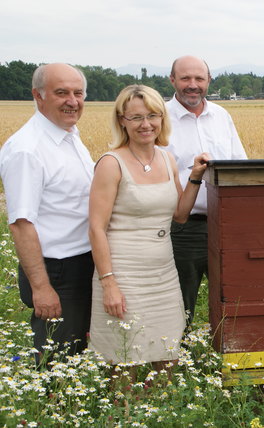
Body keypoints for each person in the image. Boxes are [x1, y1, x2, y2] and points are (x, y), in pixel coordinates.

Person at [88, 85, 209, 368]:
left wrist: (195, 176)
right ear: (122, 120)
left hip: (163, 275)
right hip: (124, 275)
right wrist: (109, 284)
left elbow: (179, 215)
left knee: (167, 357)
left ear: (162, 119)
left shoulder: (166, 159)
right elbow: (96, 228)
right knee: (124, 360)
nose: (146, 124)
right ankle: (124, 412)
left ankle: (163, 412)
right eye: (136, 117)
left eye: (153, 116)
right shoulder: (110, 163)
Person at [0, 63, 94, 364]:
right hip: (56, 272)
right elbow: (21, 224)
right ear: (38, 96)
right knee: (57, 362)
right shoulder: (27, 150)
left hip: (81, 263)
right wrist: (42, 288)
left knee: (76, 353)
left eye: (78, 93)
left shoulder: (68, 136)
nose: (72, 101)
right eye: (61, 93)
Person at [165, 55, 247, 325]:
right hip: (181, 227)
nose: (193, 85)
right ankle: (178, 359)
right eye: (185, 78)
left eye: (199, 78)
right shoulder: (159, 119)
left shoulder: (222, 116)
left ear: (209, 81)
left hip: (225, 225)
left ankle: (227, 354)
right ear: (172, 80)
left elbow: (240, 166)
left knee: (232, 296)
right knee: (179, 302)